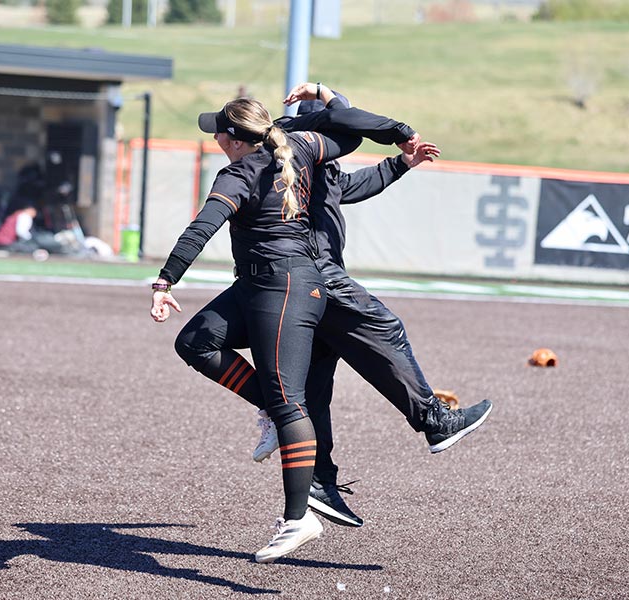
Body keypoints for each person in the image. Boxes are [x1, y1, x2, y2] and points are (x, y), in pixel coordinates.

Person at [173, 83, 493, 530]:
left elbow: (351, 185)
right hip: (315, 273)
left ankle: (320, 479)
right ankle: (433, 419)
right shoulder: (295, 144)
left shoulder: (301, 158)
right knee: (386, 328)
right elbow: (348, 121)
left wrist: (400, 163)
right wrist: (334, 99)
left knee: (316, 385)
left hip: (300, 278)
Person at [150, 97, 365, 563]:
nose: (213, 139)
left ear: (233, 139)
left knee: (290, 403)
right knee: (195, 341)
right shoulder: (298, 148)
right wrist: (332, 102)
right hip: (258, 285)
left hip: (284, 288)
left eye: (217, 132)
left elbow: (200, 228)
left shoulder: (238, 173)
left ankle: (298, 518)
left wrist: (165, 281)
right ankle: (268, 408)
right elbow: (350, 134)